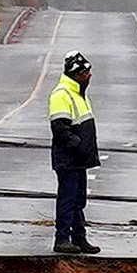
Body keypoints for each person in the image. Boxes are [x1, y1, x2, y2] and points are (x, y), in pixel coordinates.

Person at [44, 53, 100, 255]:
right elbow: (60, 129)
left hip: (79, 158)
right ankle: (62, 239)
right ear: (77, 74)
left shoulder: (77, 92)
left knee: (78, 199)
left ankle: (79, 237)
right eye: (86, 73)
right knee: (68, 199)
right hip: (69, 158)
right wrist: (76, 144)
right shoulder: (62, 94)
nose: (89, 76)